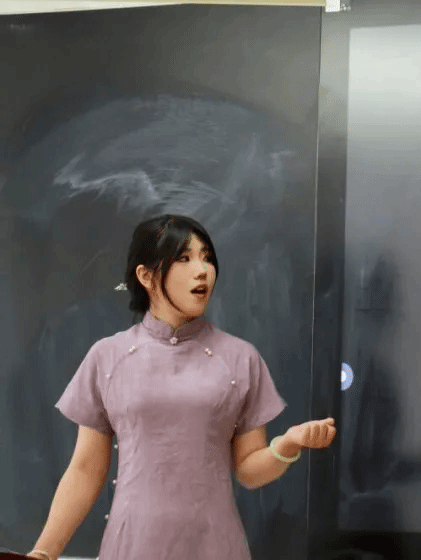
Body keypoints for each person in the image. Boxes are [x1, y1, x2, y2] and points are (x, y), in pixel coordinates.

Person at [26, 214, 336, 560]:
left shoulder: (240, 358)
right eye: (184, 258)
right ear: (146, 276)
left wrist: (288, 444)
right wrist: (44, 552)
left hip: (216, 548)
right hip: (131, 548)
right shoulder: (107, 356)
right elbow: (86, 470)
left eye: (207, 258)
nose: (202, 271)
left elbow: (249, 471)